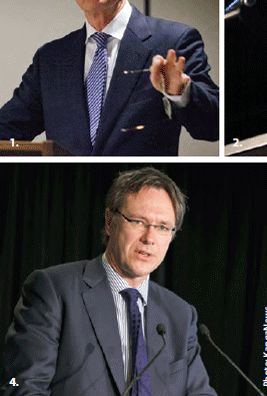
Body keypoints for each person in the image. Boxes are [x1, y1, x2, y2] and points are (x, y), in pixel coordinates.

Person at [0, 0, 219, 156]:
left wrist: (180, 92)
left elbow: (214, 125)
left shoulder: (173, 41)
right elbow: (8, 128)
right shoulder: (50, 60)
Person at [3, 167, 217, 395]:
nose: (149, 238)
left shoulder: (180, 315)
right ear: (109, 221)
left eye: (162, 227)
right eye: (137, 221)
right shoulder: (54, 290)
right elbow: (20, 385)